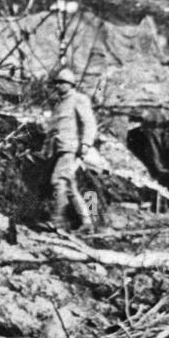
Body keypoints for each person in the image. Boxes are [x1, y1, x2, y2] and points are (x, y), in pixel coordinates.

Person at [45, 65, 98, 233]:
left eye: (62, 82)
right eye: (57, 83)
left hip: (71, 149)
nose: (58, 86)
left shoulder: (78, 99)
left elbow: (89, 123)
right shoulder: (59, 104)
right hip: (59, 149)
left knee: (58, 181)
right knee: (70, 187)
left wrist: (86, 144)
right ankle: (87, 223)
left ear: (71, 84)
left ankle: (57, 222)